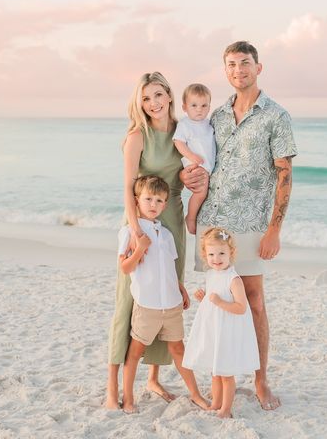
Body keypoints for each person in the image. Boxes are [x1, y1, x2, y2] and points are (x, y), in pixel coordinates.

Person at [181, 41, 297, 411]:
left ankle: (261, 380)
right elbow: (204, 163)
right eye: (230, 65)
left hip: (251, 223)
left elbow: (285, 175)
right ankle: (223, 376)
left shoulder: (276, 116)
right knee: (218, 302)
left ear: (258, 68)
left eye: (244, 63)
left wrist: (274, 229)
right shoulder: (215, 115)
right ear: (225, 71)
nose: (237, 70)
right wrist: (189, 178)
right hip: (214, 222)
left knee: (255, 302)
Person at [106, 72, 186, 409]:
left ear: (169, 95)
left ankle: (154, 378)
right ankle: (113, 389)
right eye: (146, 98)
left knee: (166, 297)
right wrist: (136, 228)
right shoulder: (137, 135)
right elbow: (127, 186)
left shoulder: (184, 132)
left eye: (158, 95)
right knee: (129, 300)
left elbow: (196, 167)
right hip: (141, 220)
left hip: (173, 220)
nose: (153, 103)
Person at [118, 175, 208, 413]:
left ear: (165, 204)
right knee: (135, 353)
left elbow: (168, 267)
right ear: (137, 201)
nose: (153, 204)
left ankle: (196, 395)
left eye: (159, 200)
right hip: (146, 306)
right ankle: (128, 398)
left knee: (179, 350)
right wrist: (139, 249)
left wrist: (180, 288)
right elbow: (125, 268)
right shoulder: (130, 232)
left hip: (171, 305)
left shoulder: (166, 234)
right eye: (148, 199)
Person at [182, 227, 259, 418]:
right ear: (204, 255)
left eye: (222, 253)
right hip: (214, 329)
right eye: (211, 254)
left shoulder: (234, 279)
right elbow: (213, 300)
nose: (216, 258)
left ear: (231, 253)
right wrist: (205, 298)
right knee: (215, 372)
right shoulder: (211, 275)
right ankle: (216, 403)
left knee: (225, 373)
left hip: (227, 331)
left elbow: (241, 307)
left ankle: (226, 409)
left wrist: (219, 302)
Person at [173, 83, 216, 234]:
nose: (199, 109)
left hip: (206, 166)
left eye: (204, 105)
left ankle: (197, 216)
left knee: (205, 194)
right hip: (194, 165)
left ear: (209, 107)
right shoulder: (185, 124)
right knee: (200, 193)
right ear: (185, 107)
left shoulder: (208, 124)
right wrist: (192, 156)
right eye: (194, 105)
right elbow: (178, 142)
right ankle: (190, 218)